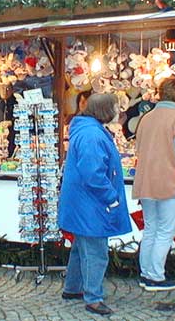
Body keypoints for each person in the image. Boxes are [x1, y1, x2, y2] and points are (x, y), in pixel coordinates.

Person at [59, 93, 132, 316]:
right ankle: (93, 298)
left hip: (81, 202)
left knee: (81, 248)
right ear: (105, 110)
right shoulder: (93, 134)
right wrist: (111, 197)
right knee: (96, 251)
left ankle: (72, 287)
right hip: (90, 204)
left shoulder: (86, 129)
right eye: (115, 108)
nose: (118, 111)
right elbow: (93, 174)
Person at [133, 77, 175, 291]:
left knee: (150, 229)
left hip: (145, 181)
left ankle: (146, 273)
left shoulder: (147, 118)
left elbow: (139, 149)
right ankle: (155, 276)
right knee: (165, 231)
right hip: (169, 182)